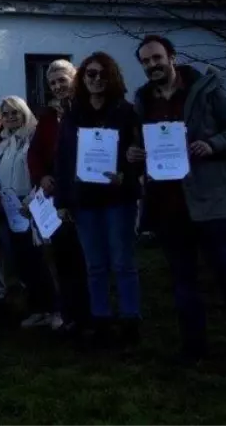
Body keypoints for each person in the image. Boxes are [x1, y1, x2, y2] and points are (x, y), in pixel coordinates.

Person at [130, 35, 226, 364]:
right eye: (145, 62)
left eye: (156, 58)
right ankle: (194, 349)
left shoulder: (205, 89)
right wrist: (134, 153)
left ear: (171, 57)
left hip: (208, 202)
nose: (152, 65)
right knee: (183, 282)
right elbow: (140, 143)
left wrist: (213, 145)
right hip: (167, 205)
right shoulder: (144, 99)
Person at [55, 52, 144, 347]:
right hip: (85, 202)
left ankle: (131, 318)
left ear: (112, 77)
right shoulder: (72, 115)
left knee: (123, 262)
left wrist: (127, 173)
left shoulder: (126, 112)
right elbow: (64, 160)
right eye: (91, 74)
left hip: (118, 199)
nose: (96, 80)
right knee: (94, 265)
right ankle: (101, 319)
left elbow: (139, 155)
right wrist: (63, 201)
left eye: (102, 74)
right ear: (83, 78)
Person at [26, 59, 90, 336]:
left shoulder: (88, 109)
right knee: (63, 256)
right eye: (52, 83)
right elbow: (35, 153)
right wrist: (42, 176)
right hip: (58, 197)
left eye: (62, 80)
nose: (57, 86)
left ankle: (93, 315)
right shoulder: (48, 118)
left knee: (88, 259)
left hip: (87, 193)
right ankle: (70, 314)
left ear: (75, 78)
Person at [0, 96, 60, 329]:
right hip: (10, 208)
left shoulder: (34, 139)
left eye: (15, 113)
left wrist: (32, 199)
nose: (10, 118)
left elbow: (42, 169)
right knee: (23, 260)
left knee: (44, 259)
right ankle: (38, 308)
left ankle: (56, 309)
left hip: (33, 204)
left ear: (25, 113)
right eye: (6, 114)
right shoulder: (2, 145)